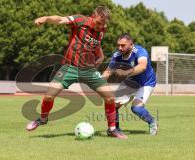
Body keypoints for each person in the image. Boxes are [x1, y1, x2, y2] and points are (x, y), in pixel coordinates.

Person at [26, 6, 127, 139]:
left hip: (89, 70)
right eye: (98, 23)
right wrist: (46, 18)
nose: (100, 26)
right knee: (49, 96)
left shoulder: (102, 30)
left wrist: (100, 56)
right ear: (92, 17)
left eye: (103, 24)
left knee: (110, 98)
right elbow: (60, 20)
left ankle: (112, 129)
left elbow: (96, 46)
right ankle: (43, 119)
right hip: (70, 68)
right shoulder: (80, 20)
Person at [102, 33, 158, 135]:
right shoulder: (117, 55)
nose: (120, 48)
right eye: (118, 45)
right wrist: (97, 81)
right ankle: (115, 130)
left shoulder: (140, 51)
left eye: (123, 45)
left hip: (146, 83)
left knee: (136, 108)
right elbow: (108, 71)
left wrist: (126, 72)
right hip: (130, 82)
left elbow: (142, 66)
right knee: (113, 105)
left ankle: (152, 121)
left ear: (131, 44)